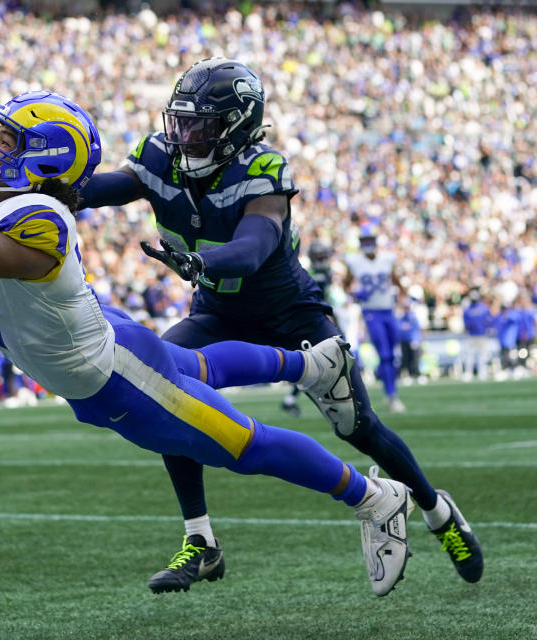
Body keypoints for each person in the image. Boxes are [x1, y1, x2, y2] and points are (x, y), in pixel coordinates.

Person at [0, 91, 417, 596]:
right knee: (194, 364)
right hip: (98, 350)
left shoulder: (41, 219)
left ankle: (372, 497)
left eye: (9, 140)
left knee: (242, 446)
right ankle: (309, 363)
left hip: (113, 372)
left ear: (44, 158)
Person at [77, 59, 482, 590]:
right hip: (217, 314)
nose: (186, 135)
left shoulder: (263, 168)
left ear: (238, 126)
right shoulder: (159, 156)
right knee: (163, 389)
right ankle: (200, 540)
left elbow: (252, 247)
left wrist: (205, 264)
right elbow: (101, 189)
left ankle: (435, 512)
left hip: (291, 315)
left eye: (201, 125)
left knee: (360, 429)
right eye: (182, 121)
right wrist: (40, 193)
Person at [344, 225, 406, 412]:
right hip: (371, 312)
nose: (368, 244)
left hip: (388, 310)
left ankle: (387, 383)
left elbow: (395, 279)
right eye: (364, 242)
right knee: (385, 354)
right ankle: (391, 394)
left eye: (370, 241)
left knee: (393, 353)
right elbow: (346, 285)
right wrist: (354, 294)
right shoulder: (354, 262)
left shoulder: (387, 259)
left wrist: (404, 295)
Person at [281, 240, 335, 417]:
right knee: (320, 361)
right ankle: (296, 398)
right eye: (318, 256)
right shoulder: (317, 273)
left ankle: (292, 398)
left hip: (314, 318)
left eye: (322, 256)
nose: (321, 259)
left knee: (318, 362)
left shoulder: (320, 272)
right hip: (313, 320)